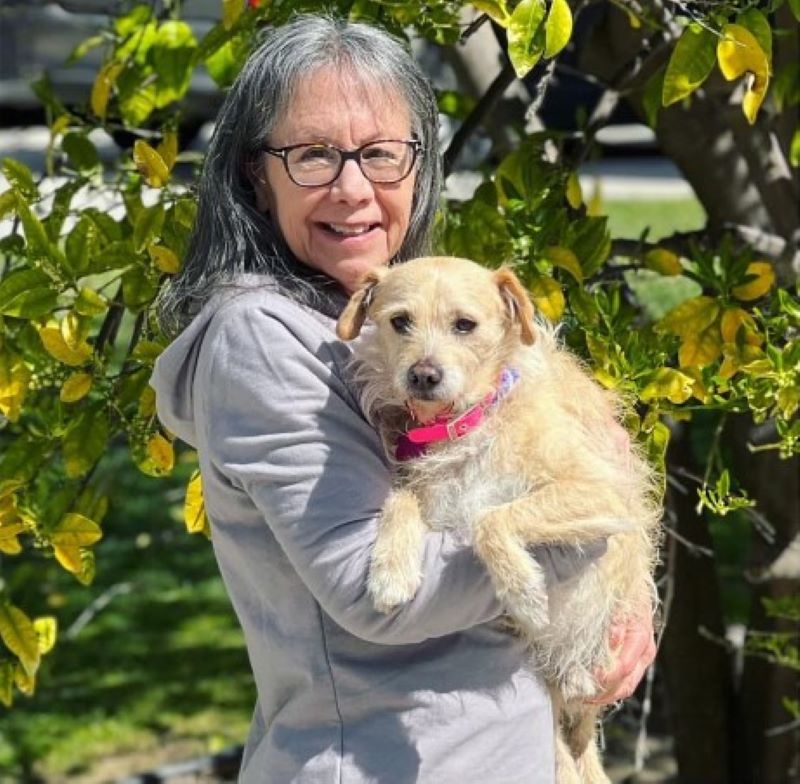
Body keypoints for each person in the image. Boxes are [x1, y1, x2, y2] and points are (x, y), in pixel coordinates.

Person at [151, 15, 656, 783]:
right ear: (258, 173)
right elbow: (377, 592)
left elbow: (561, 449)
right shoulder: (261, 336)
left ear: (419, 170)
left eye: (382, 154)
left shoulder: (399, 301)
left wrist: (622, 610)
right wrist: (580, 542)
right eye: (314, 155)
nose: (353, 189)